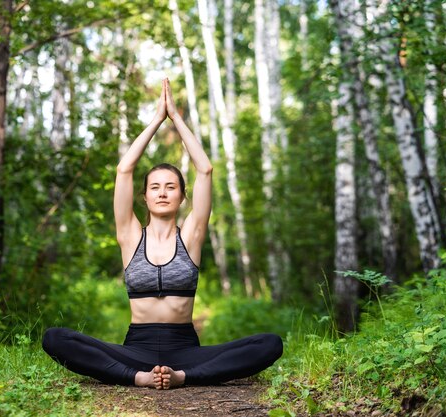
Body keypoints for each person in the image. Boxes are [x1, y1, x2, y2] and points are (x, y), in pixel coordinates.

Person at [42, 79, 283, 389]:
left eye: (171, 187)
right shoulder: (130, 236)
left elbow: (205, 169)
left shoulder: (192, 237)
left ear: (183, 196)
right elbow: (124, 170)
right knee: (55, 338)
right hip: (135, 350)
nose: (162, 193)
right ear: (144, 197)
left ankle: (183, 378)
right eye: (155, 187)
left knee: (269, 343)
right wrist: (156, 120)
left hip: (185, 351)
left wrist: (176, 118)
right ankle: (138, 378)